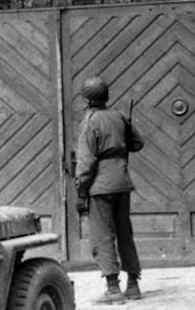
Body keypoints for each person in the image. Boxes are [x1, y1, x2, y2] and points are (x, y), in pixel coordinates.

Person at [75, 76, 144, 302]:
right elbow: (137, 143)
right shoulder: (120, 116)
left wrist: (80, 191)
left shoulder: (90, 121)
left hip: (99, 186)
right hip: (122, 182)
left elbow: (86, 163)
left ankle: (113, 288)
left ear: (87, 100)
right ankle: (133, 284)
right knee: (125, 232)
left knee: (102, 235)